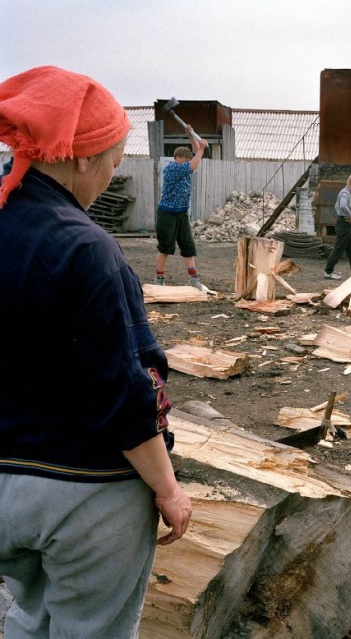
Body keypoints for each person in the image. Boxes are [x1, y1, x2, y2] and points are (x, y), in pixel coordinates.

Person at [0, 66, 192, 638]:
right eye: (112, 159)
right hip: (82, 494)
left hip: (6, 486)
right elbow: (123, 393)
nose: (112, 175)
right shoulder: (86, 249)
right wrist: (167, 487)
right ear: (80, 158)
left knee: (29, 618)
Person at [154, 133, 209, 290]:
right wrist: (202, 149)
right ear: (178, 157)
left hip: (181, 213)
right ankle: (159, 278)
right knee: (165, 247)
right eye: (186, 159)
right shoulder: (172, 168)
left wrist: (191, 136)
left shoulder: (183, 166)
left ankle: (193, 279)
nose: (188, 161)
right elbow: (193, 163)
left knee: (188, 246)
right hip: (167, 214)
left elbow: (194, 154)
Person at [323, 173, 351, 279]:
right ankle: (328, 272)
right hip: (344, 224)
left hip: (347, 224)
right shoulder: (345, 193)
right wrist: (349, 215)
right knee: (339, 248)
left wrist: (348, 216)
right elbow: (342, 206)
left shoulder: (346, 194)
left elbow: (336, 206)